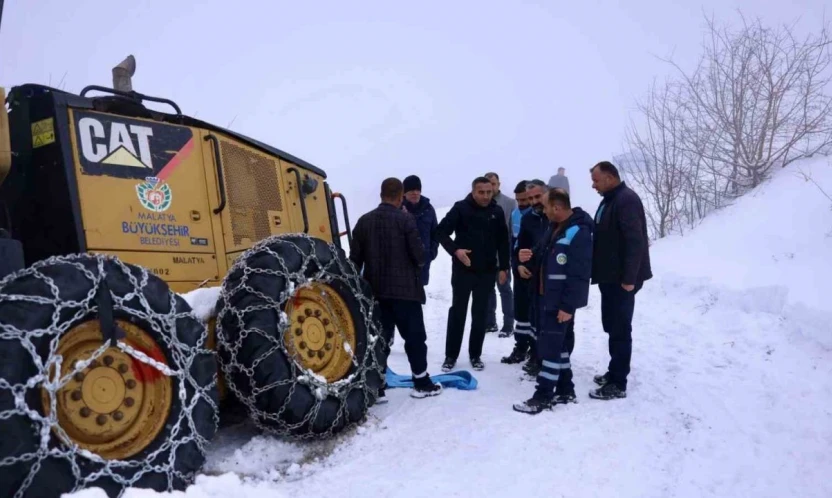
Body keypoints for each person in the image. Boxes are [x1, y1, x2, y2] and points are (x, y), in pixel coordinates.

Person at [349, 178, 442, 399]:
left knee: (379, 339)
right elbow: (419, 256)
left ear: (381, 194)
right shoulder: (406, 220)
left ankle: (377, 386)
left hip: (376, 293)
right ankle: (420, 382)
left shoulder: (363, 221)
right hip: (406, 292)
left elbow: (354, 262)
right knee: (415, 338)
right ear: (400, 196)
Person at [513, 189, 593, 414]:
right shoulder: (554, 227)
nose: (543, 210)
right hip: (544, 298)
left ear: (556, 208)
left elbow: (580, 274)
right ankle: (566, 390)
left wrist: (568, 306)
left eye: (546, 207)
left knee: (549, 349)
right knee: (560, 346)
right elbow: (540, 254)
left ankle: (543, 395)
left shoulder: (579, 232)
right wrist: (525, 258)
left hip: (559, 303)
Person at [587, 161, 652, 400]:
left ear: (610, 177)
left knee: (621, 328)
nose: (593, 185)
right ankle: (614, 370)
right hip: (610, 277)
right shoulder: (610, 199)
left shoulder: (626, 200)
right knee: (612, 325)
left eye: (596, 180)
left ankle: (618, 382)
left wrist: (629, 278)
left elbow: (635, 241)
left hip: (622, 279)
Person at [435, 177, 510, 372]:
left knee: (480, 314)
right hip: (463, 270)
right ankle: (451, 355)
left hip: (486, 272)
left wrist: (504, 267)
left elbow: (503, 241)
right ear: (473, 192)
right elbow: (441, 232)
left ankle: (475, 354)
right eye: (481, 192)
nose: (485, 196)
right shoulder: (461, 208)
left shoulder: (497, 211)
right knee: (458, 312)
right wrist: (456, 251)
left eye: (488, 192)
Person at [502, 180, 548, 367]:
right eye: (530, 198)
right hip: (524, 274)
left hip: (545, 278)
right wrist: (518, 264)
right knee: (522, 313)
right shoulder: (526, 218)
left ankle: (539, 355)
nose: (533, 201)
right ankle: (521, 347)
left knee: (539, 317)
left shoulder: (555, 216)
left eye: (537, 196)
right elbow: (518, 246)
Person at [484, 172, 517, 335]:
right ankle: (490, 322)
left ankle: (509, 324)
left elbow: (513, 231)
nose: (491, 187)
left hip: (502, 256)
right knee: (488, 290)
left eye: (494, 183)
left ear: (499, 184)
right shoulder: (480, 203)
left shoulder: (510, 203)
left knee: (505, 289)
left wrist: (509, 257)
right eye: (488, 184)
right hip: (485, 258)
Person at [500, 180, 530, 341]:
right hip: (518, 265)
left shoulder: (540, 214)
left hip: (533, 267)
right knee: (521, 306)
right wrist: (512, 263)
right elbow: (512, 240)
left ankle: (535, 349)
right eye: (518, 200)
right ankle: (521, 344)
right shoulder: (515, 213)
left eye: (525, 200)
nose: (521, 203)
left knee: (534, 309)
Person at [402, 175, 439, 287]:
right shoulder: (397, 208)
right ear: (404, 193)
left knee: (419, 295)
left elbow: (435, 233)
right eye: (411, 189)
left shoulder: (428, 209)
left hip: (423, 260)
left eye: (418, 189)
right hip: (402, 262)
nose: (415, 192)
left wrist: (431, 253)